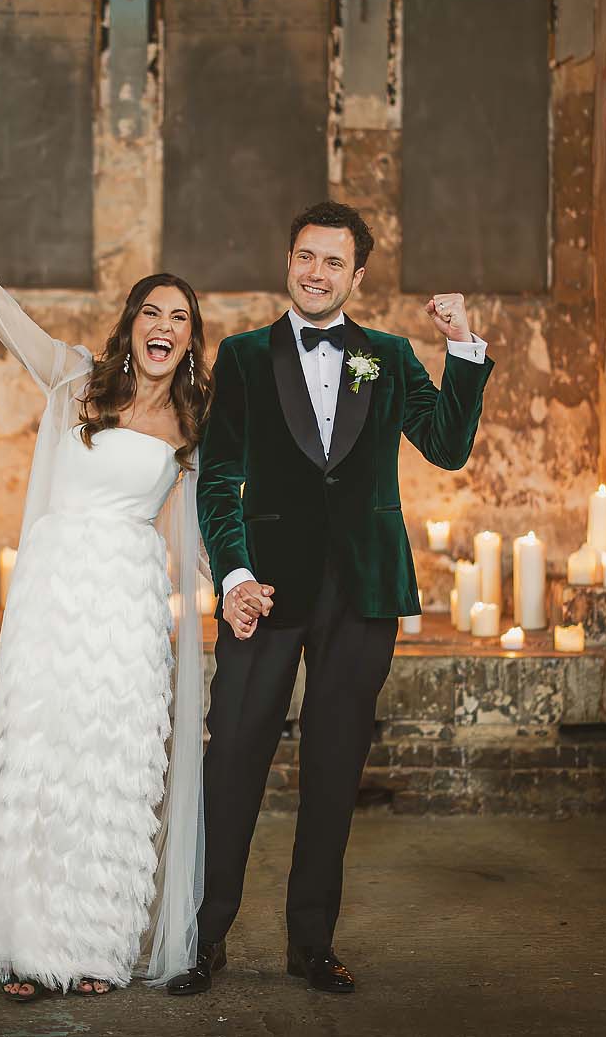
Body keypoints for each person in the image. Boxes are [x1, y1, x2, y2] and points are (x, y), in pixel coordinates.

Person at [0, 183, 214, 1000]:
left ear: (191, 340)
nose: (165, 327)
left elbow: (203, 532)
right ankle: (24, 949)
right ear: (131, 324)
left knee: (110, 769)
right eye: (153, 313)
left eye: (180, 319)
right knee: (40, 765)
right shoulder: (74, 380)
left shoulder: (193, 426)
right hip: (56, 592)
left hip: (129, 608)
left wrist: (236, 583)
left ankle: (94, 947)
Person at [169, 201, 492, 996]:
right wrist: (235, 577)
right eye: (305, 257)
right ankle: (204, 937)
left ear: (358, 275)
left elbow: (447, 446)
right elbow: (218, 480)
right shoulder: (242, 357)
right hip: (264, 591)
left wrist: (463, 348)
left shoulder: (387, 354)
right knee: (234, 758)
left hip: (363, 589)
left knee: (334, 764)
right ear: (288, 261)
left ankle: (311, 941)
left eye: (333, 262)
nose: (316, 272)